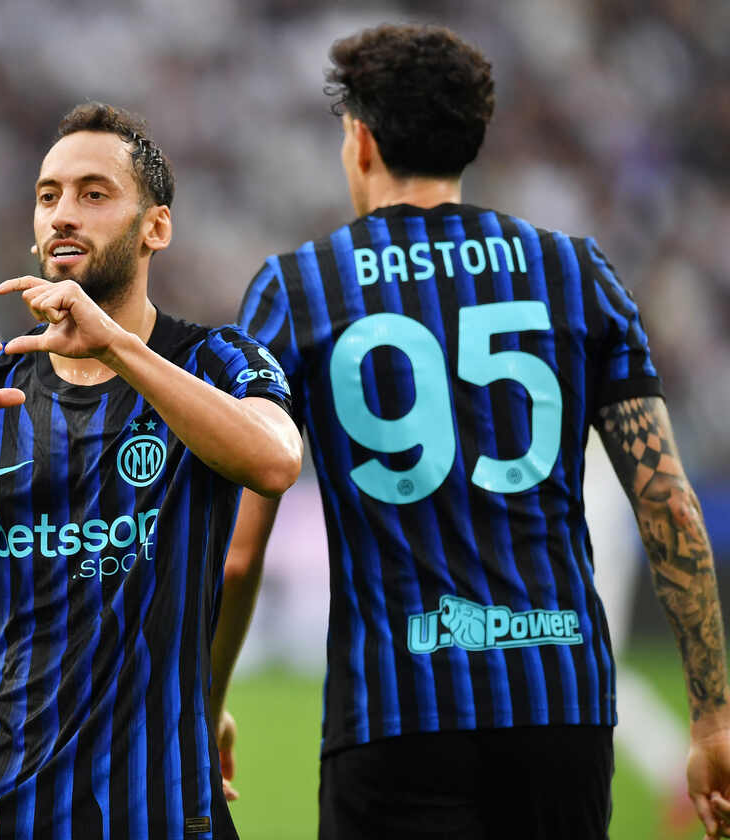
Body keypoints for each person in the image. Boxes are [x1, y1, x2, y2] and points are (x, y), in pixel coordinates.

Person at [224, 23, 730, 840]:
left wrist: (206, 703)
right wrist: (712, 718)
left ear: (361, 140)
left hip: (393, 715)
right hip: (559, 710)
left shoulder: (299, 291)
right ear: (472, 137)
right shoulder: (578, 273)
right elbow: (669, 504)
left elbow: (240, 551)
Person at [0, 102, 303, 839]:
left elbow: (275, 460)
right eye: (49, 196)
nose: (64, 213)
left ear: (155, 228)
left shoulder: (217, 361)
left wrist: (114, 346)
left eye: (94, 194)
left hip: (156, 807)